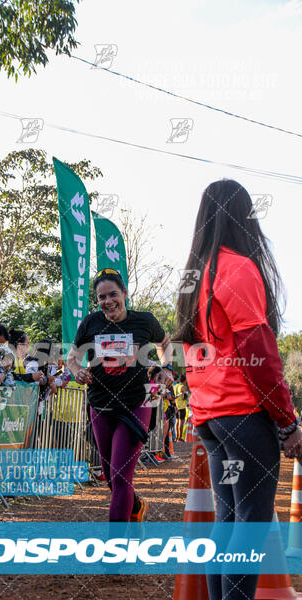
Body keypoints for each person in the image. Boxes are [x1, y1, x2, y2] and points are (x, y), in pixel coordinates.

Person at [173, 179, 302, 600]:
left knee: (228, 521)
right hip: (244, 419)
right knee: (250, 524)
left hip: (210, 421)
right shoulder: (238, 268)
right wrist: (287, 421)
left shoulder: (195, 276)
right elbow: (260, 354)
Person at [67, 268, 172, 522]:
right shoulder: (91, 323)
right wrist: (77, 371)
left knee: (122, 476)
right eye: (101, 297)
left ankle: (116, 551)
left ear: (125, 293)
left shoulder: (144, 321)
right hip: (101, 405)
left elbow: (166, 343)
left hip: (137, 402)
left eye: (113, 294)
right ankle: (135, 507)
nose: (108, 301)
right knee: (112, 478)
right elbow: (72, 358)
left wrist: (166, 367)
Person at [174, 374, 188, 441]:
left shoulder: (175, 386)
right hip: (181, 406)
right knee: (181, 422)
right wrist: (186, 393)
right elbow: (184, 397)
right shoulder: (183, 387)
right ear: (184, 380)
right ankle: (180, 437)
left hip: (176, 406)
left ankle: (176, 437)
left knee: (177, 422)